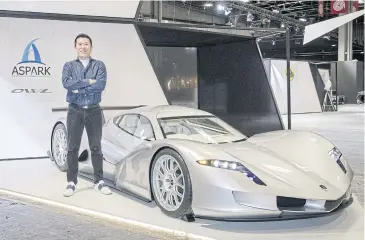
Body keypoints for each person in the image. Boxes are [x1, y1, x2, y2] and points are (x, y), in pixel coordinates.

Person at [61, 33, 111, 197]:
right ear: (75, 47)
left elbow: (101, 85)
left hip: (94, 110)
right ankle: (71, 182)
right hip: (74, 110)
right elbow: (66, 84)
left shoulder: (100, 65)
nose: (83, 47)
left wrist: (78, 87)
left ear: (91, 47)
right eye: (80, 44)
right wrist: (89, 82)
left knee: (96, 147)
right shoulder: (68, 66)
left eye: (86, 44)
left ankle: (99, 181)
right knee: (72, 147)